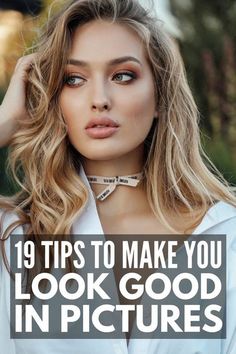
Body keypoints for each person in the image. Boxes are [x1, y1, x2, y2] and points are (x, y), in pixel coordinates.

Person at [0, 0, 236, 353]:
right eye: (73, 79)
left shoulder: (226, 234)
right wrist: (5, 120)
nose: (99, 99)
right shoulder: (14, 238)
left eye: (123, 75)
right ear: (51, 98)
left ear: (160, 95)